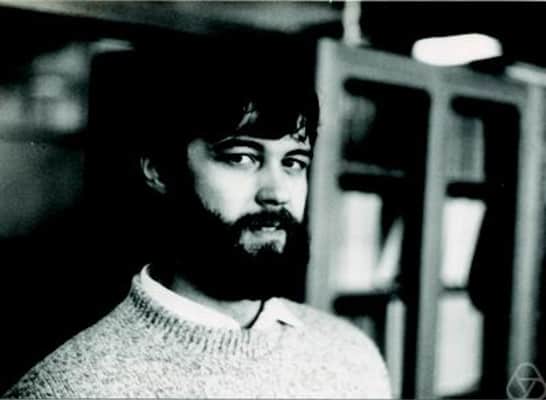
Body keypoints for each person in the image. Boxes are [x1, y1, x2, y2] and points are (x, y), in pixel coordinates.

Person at [4, 43, 391, 398]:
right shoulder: (68, 388)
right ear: (160, 170)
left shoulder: (353, 357)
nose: (277, 192)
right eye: (241, 157)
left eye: (293, 162)